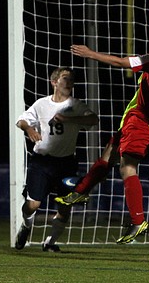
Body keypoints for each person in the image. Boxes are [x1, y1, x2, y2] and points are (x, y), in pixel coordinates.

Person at [57, 39, 149, 243]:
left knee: (127, 167)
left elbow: (121, 63)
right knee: (109, 153)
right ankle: (81, 191)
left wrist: (91, 53)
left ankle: (138, 221)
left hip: (143, 120)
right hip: (136, 117)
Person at [14, 67, 98, 252]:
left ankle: (50, 242)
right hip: (42, 162)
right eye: (65, 78)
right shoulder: (41, 104)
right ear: (54, 82)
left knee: (64, 207)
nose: (69, 82)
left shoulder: (76, 105)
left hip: (66, 163)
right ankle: (26, 226)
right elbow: (21, 121)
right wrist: (29, 129)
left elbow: (93, 119)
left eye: (71, 80)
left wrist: (69, 119)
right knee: (33, 204)